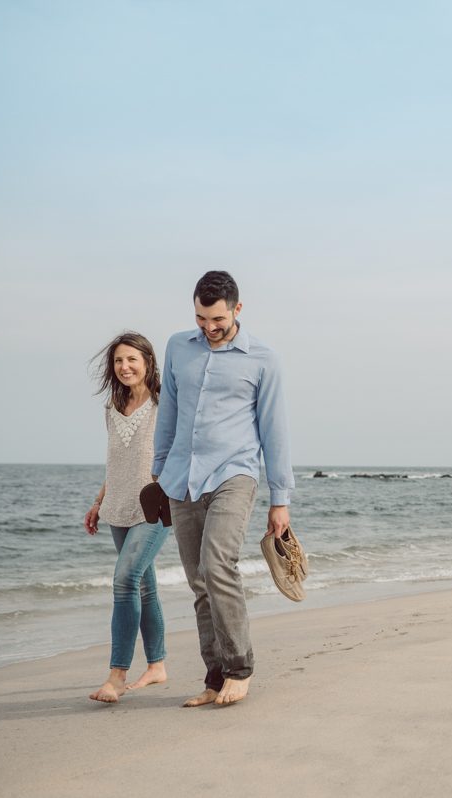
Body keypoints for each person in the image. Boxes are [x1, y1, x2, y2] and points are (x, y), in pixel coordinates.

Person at [153, 270, 294, 707]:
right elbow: (168, 414)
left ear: (237, 308)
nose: (209, 327)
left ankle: (239, 666)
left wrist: (280, 500)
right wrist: (158, 474)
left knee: (217, 565)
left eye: (217, 319)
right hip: (182, 477)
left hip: (235, 473)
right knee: (198, 582)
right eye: (200, 318)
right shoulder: (178, 347)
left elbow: (274, 431)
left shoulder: (263, 359)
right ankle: (213, 677)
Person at [83, 332, 170, 703]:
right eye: (119, 361)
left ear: (148, 362)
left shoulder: (166, 405)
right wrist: (98, 501)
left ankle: (117, 675)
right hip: (117, 506)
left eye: (132, 359)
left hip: (154, 507)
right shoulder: (111, 408)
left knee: (124, 580)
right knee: (144, 587)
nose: (125, 367)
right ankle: (157, 666)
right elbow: (115, 463)